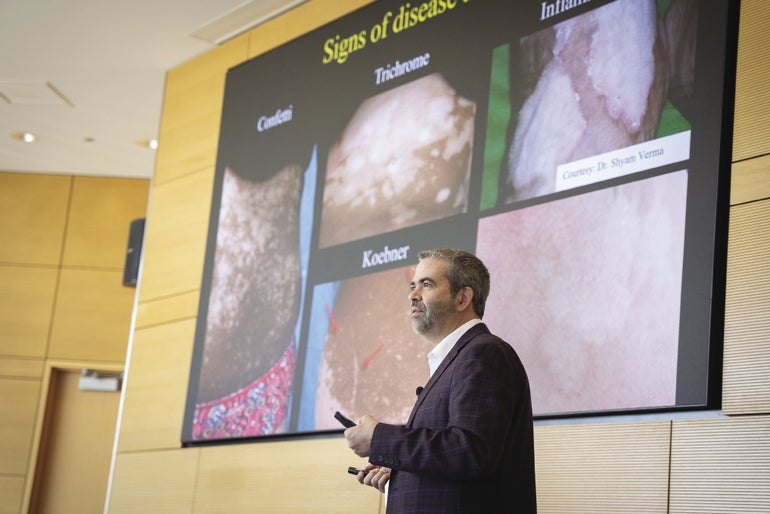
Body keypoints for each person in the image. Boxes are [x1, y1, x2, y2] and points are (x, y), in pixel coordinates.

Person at [343, 248, 537, 513]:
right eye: (413, 285)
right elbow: (454, 462)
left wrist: (380, 438)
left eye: (426, 284)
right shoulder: (460, 358)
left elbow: (471, 452)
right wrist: (401, 474)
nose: (412, 295)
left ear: (462, 298)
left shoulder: (483, 353)